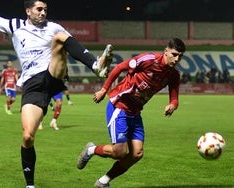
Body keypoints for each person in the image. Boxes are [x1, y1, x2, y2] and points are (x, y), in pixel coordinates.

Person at [0, 0, 113, 187]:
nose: (43, 13)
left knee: (60, 38)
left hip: (52, 75)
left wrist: (91, 61)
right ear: (28, 11)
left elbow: (72, 45)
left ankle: (95, 66)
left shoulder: (54, 27)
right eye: (39, 9)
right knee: (27, 136)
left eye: (45, 9)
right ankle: (30, 185)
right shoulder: (15, 26)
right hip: (32, 85)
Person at [77, 38, 186, 188]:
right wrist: (104, 90)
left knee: (136, 154)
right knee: (119, 152)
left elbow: (174, 98)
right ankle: (91, 150)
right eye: (174, 54)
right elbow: (119, 67)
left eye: (180, 56)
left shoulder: (173, 75)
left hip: (135, 112)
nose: (177, 58)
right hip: (119, 106)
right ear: (166, 51)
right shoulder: (148, 60)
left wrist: (172, 105)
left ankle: (103, 181)